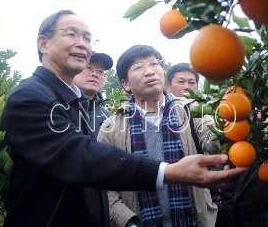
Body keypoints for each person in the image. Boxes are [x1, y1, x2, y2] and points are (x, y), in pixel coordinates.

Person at [0, 10, 247, 227]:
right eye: (71, 34)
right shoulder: (31, 97)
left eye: (87, 38)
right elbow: (82, 158)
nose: (82, 43)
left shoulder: (192, 110)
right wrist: (162, 179)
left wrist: (236, 121)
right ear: (43, 43)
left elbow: (212, 134)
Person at [97, 44, 235, 227]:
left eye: (154, 63)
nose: (149, 71)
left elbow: (213, 141)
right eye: (138, 67)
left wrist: (232, 125)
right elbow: (105, 186)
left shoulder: (193, 109)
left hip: (194, 221)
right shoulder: (111, 128)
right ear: (125, 84)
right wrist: (128, 222)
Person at [73, 51, 113, 137]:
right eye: (88, 67)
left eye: (100, 71)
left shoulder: (108, 116)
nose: (95, 74)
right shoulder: (57, 107)